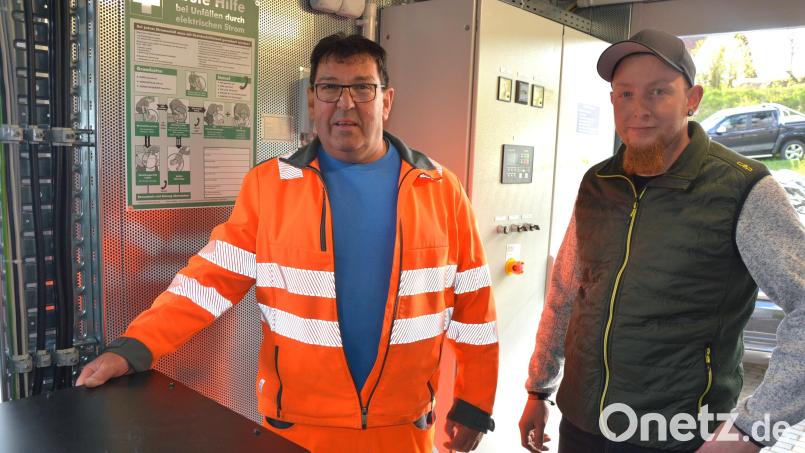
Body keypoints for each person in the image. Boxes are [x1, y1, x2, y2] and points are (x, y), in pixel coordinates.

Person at [77, 33, 499, 453]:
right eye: (330, 88)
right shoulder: (270, 186)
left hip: (403, 428)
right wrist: (136, 347)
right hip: (298, 428)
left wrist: (475, 403)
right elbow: (209, 280)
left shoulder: (440, 190)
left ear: (386, 101)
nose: (345, 103)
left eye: (362, 88)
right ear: (312, 101)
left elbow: (475, 307)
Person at [518, 29, 805, 453]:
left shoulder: (742, 189)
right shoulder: (598, 183)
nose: (639, 110)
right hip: (582, 425)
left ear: (693, 99)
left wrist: (752, 429)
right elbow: (565, 291)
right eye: (626, 94)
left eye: (658, 92)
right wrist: (539, 388)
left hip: (676, 434)